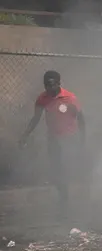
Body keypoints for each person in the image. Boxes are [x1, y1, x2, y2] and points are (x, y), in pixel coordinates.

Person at [19, 70, 87, 219]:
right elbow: (36, 118)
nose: (48, 88)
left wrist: (82, 140)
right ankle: (64, 194)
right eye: (45, 85)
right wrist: (25, 135)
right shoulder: (42, 99)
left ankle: (70, 199)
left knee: (66, 167)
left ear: (58, 83)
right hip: (53, 138)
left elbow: (81, 119)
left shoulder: (70, 98)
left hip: (70, 138)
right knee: (56, 169)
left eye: (51, 84)